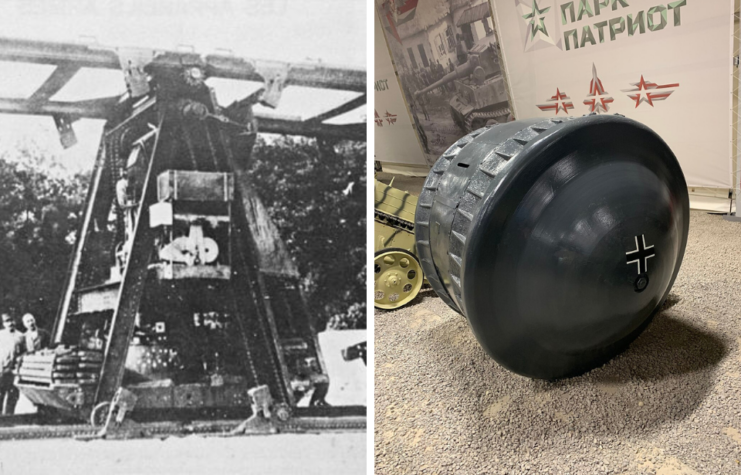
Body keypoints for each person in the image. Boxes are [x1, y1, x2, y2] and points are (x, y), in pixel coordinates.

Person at [0, 313, 26, 415]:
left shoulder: (20, 336)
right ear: (3, 323)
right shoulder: (0, 335)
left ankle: (9, 416)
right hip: (1, 369)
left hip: (14, 370)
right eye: (7, 321)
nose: (10, 323)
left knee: (13, 395)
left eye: (11, 320)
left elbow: (24, 352)